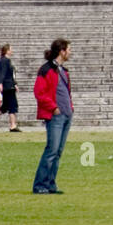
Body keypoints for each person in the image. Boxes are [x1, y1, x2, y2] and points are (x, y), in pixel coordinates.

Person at [32, 39, 73, 195]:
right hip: (55, 115)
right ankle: (40, 185)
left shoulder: (63, 70)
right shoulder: (46, 69)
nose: (70, 52)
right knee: (51, 150)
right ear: (61, 51)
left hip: (66, 115)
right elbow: (39, 92)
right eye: (68, 49)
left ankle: (50, 184)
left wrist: (70, 108)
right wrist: (53, 107)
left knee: (58, 152)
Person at [0, 43, 20, 133]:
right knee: (12, 105)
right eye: (11, 49)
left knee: (5, 106)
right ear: (7, 51)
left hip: (9, 85)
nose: (12, 50)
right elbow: (2, 73)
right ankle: (13, 125)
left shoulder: (6, 60)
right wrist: (0, 83)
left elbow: (10, 75)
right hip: (7, 86)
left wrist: (15, 84)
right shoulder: (5, 61)